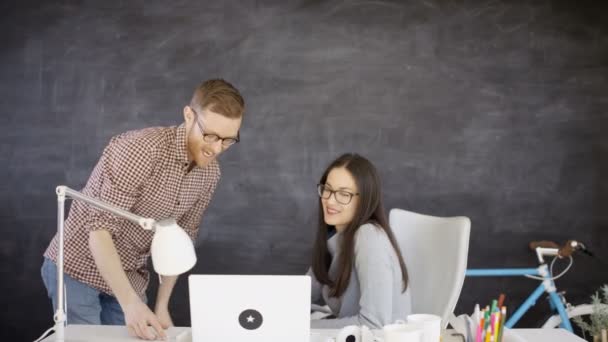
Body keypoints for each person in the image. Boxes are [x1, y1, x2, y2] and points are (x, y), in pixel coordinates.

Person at [41, 79, 245, 340]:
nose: (216, 148)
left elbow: (184, 237)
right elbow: (99, 230)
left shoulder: (210, 175)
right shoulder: (142, 149)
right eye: (210, 135)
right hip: (77, 267)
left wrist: (161, 306)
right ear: (188, 115)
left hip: (130, 277)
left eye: (228, 140)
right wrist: (130, 305)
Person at [308, 153, 412, 329]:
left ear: (364, 200)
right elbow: (300, 294)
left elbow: (373, 324)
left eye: (344, 194)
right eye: (327, 189)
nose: (330, 200)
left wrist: (301, 326)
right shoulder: (335, 239)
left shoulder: (368, 237)